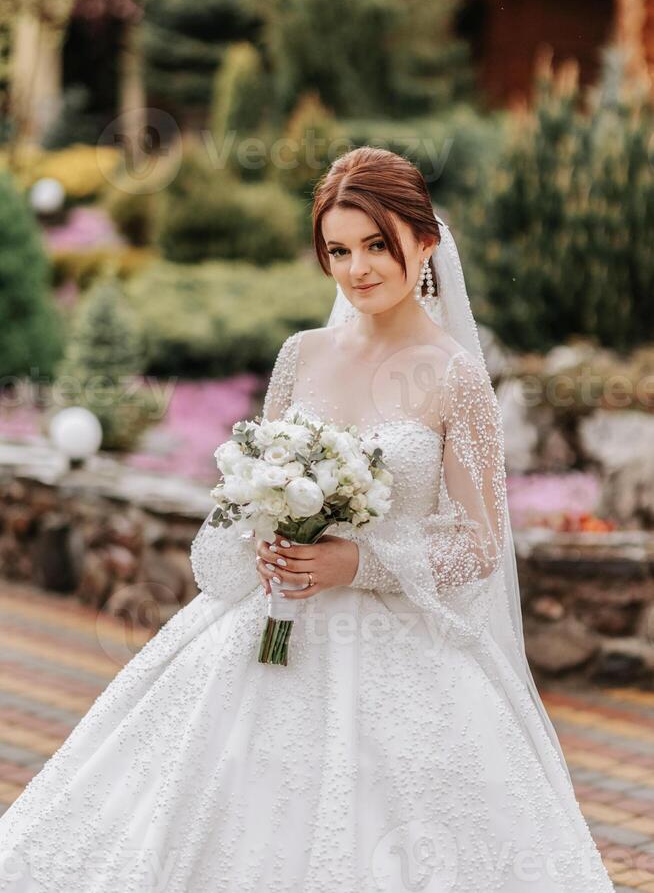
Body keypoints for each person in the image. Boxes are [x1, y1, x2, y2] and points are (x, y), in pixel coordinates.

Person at [0, 146, 614, 892]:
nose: (358, 269)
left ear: (425, 242)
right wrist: (265, 537)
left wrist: (359, 562)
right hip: (270, 624)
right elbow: (253, 483)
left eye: (377, 245)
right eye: (339, 250)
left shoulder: (456, 377)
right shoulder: (302, 356)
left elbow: (479, 545)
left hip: (398, 641)